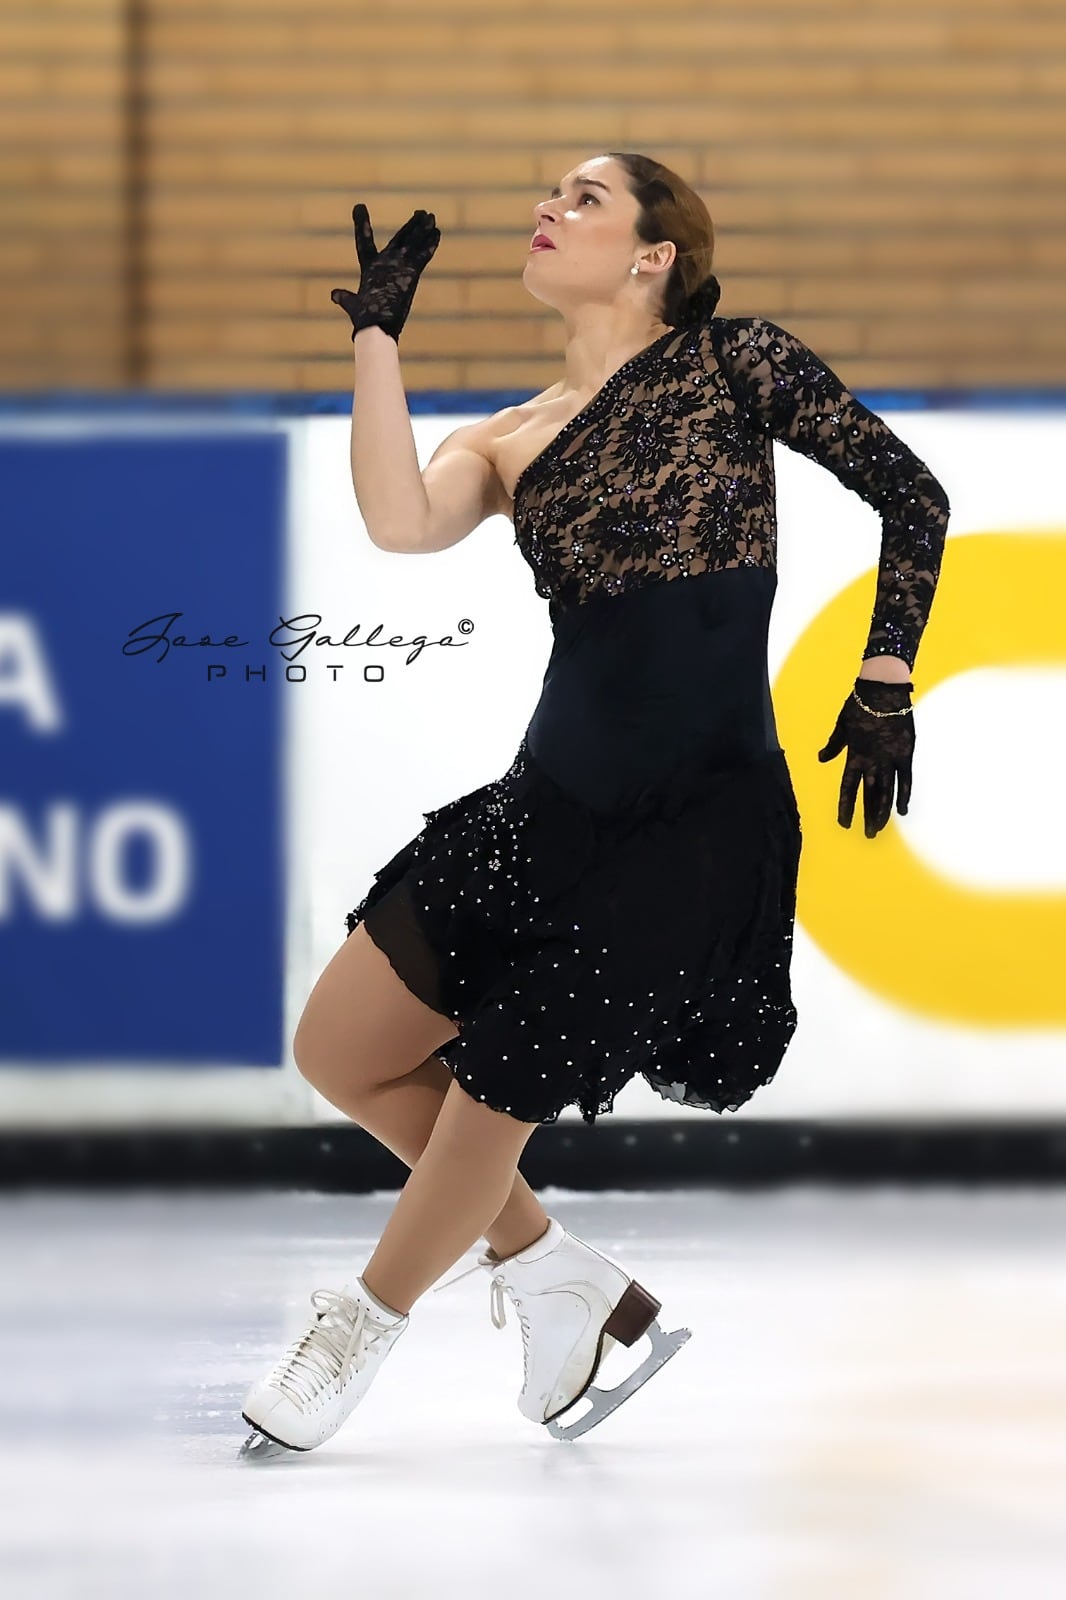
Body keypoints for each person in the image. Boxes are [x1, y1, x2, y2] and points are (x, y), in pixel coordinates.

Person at [239, 152, 951, 1458]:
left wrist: (886, 672)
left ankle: (358, 1326)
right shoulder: (506, 437)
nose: (546, 210)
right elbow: (399, 522)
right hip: (546, 808)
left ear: (649, 255)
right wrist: (378, 342)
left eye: (583, 197)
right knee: (338, 1051)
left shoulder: (732, 363)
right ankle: (561, 1278)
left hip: (699, 820)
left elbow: (912, 496)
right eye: (547, 194)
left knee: (495, 1079)